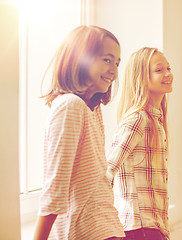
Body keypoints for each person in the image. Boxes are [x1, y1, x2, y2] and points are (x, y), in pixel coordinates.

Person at [33, 25, 125, 240]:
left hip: (96, 229)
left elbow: (56, 187)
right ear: (79, 58)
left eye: (117, 63)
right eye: (107, 60)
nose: (114, 70)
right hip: (99, 229)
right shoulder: (72, 106)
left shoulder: (86, 109)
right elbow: (57, 187)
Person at [106, 47, 173, 240]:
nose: (168, 74)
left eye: (168, 68)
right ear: (141, 77)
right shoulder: (137, 119)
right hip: (138, 229)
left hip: (152, 227)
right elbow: (109, 170)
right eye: (159, 70)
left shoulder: (155, 119)